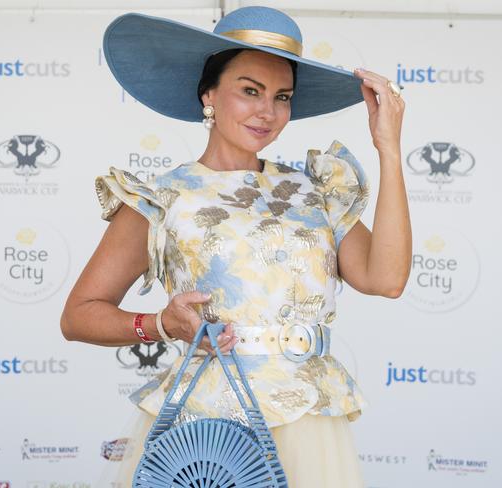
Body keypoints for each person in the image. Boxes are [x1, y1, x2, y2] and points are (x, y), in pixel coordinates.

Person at [61, 6, 411, 487]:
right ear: (209, 94)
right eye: (250, 90)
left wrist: (388, 148)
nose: (267, 111)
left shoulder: (314, 190)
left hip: (308, 422)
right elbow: (79, 314)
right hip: (207, 429)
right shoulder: (162, 198)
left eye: (281, 96)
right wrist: (161, 324)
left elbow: (387, 279)